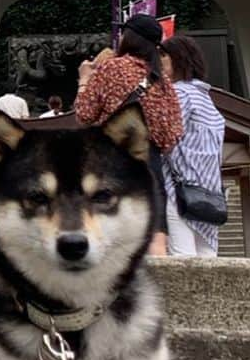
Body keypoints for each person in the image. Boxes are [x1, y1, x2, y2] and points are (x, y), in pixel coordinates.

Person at [75, 14, 182, 256]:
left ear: (129, 38)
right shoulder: (162, 80)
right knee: (156, 241)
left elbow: (84, 114)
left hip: (110, 161)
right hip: (150, 163)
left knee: (109, 238)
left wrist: (83, 80)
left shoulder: (111, 68)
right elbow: (173, 133)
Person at [160, 34, 226, 258]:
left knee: (182, 257)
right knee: (208, 257)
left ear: (178, 59)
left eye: (164, 56)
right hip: (209, 191)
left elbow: (165, 137)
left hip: (179, 189)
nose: (159, 62)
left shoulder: (178, 93)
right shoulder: (205, 97)